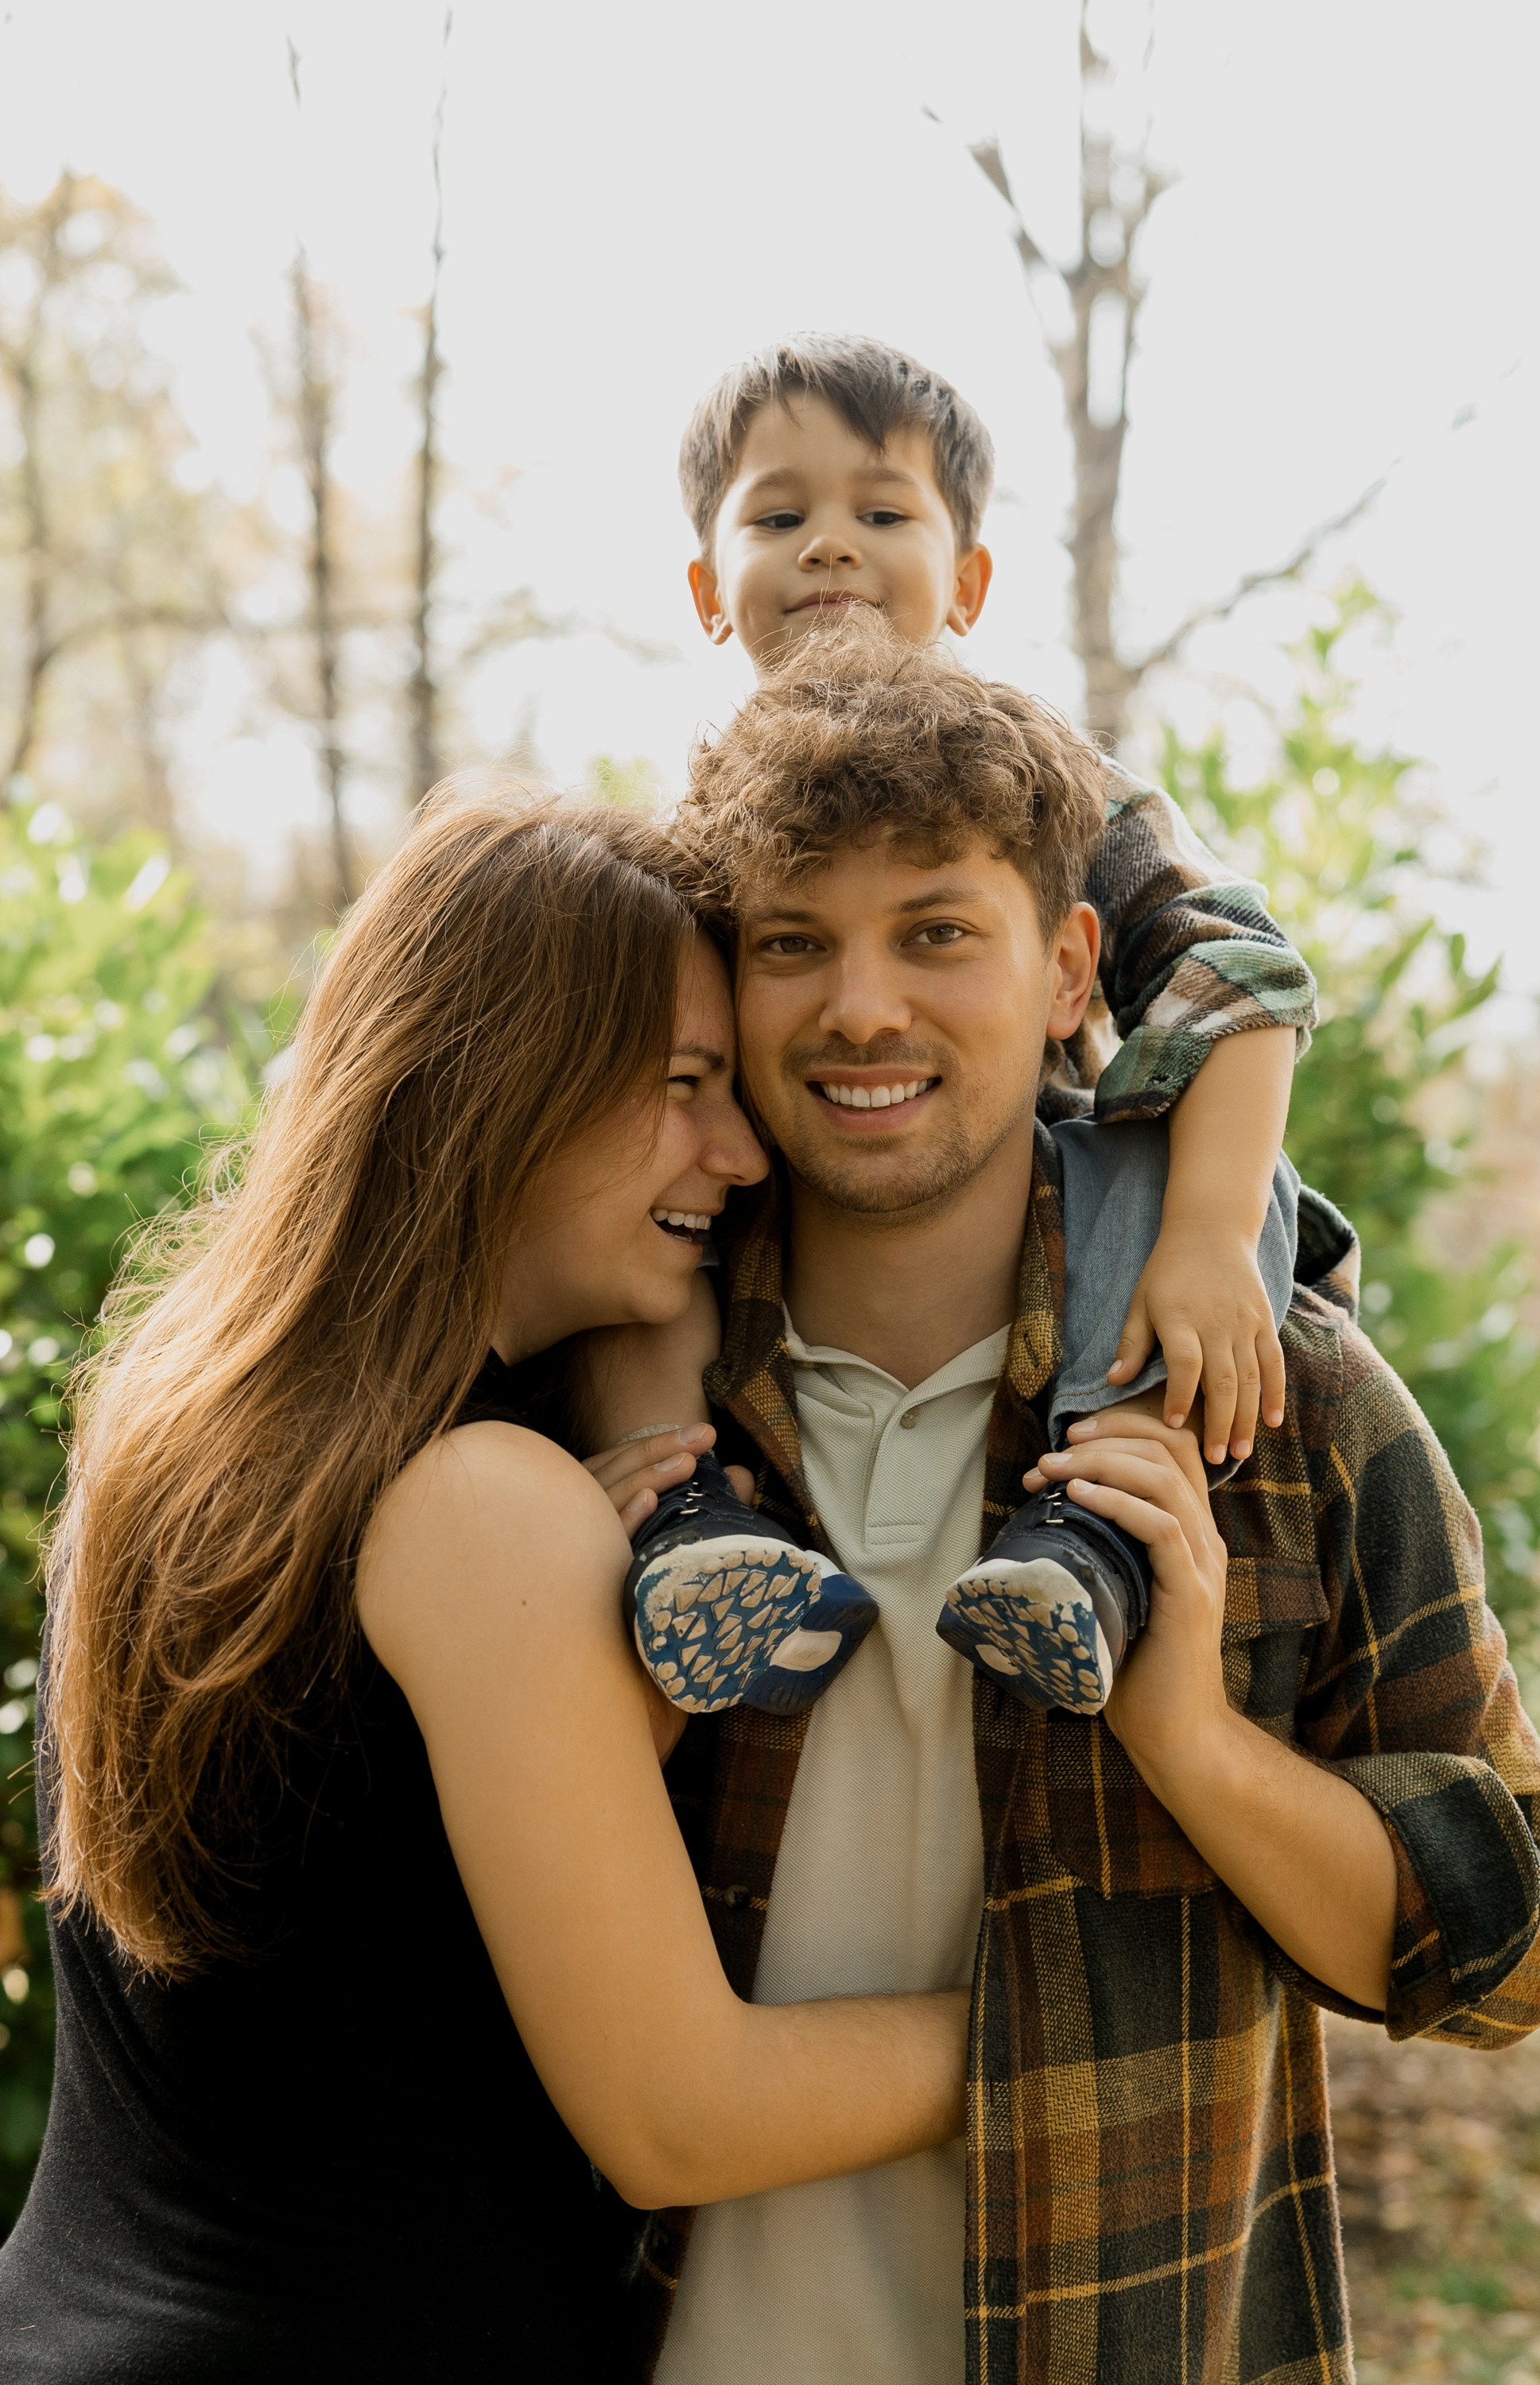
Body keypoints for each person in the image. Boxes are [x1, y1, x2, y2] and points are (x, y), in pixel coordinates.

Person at [600, 628, 1540, 2385]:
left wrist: (1192, 1738)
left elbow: (1513, 1953)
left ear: (1069, 972)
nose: (860, 1010)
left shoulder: (1273, 1406)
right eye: (791, 944)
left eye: (936, 933)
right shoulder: (623, 1408)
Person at [0, 789, 973, 2383]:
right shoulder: (482, 1507)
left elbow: (349, 1929)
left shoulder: (181, 1414)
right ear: (494, 1085)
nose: (736, 1155)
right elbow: (680, 2114)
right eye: (681, 1087)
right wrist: (1075, 2023)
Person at [615, 332, 1327, 1725]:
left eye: (882, 513)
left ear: (970, 579)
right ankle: (687, 1520)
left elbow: (1237, 975)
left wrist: (1202, 1239)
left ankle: (1098, 1520)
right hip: (764, 1218)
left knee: (1189, 1164)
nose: (829, 547)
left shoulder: (1041, 786)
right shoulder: (688, 830)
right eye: (779, 516)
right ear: (708, 590)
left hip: (1035, 1220)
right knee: (608, 1199)